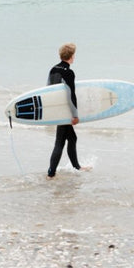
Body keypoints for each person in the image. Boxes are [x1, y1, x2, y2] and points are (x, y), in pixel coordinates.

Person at [46, 43, 90, 179]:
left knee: (71, 138)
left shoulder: (53, 69)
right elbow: (71, 94)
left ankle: (76, 167)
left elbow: (47, 89)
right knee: (60, 141)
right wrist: (75, 115)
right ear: (72, 56)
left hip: (56, 108)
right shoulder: (68, 72)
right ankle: (51, 173)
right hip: (65, 109)